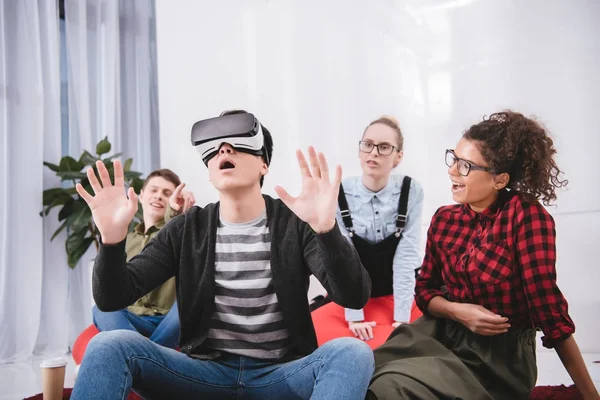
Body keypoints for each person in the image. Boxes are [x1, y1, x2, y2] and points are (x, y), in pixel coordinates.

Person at [71, 110, 374, 399]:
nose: (224, 149)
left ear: (263, 164)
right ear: (209, 170)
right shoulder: (186, 228)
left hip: (281, 376)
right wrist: (112, 241)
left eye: (238, 144)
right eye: (214, 148)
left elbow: (353, 296)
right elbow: (112, 298)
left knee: (353, 353)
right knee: (109, 344)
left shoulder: (296, 223)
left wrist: (326, 230)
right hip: (202, 375)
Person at [368, 111, 599, 400]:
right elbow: (425, 291)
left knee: (393, 389)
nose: (452, 171)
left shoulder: (525, 216)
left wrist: (591, 395)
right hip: (437, 335)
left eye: (465, 166)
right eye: (453, 159)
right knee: (366, 372)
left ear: (500, 179)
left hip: (496, 360)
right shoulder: (444, 219)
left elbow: (549, 311)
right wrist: (457, 311)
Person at [312, 116, 424, 349]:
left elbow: (406, 258)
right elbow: (344, 258)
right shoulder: (339, 192)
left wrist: (401, 319)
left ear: (398, 156)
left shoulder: (411, 190)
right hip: (352, 294)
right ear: (360, 150)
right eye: (368, 144)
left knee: (420, 341)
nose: (374, 153)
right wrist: (354, 316)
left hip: (398, 295)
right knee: (314, 334)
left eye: (384, 147)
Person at [90, 168, 195, 349]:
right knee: (101, 310)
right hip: (130, 318)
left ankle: (137, 356)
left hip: (168, 321)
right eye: (154, 190)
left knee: (191, 303)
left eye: (166, 193)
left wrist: (176, 215)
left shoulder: (177, 232)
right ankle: (147, 356)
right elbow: (110, 286)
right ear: (141, 195)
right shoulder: (123, 238)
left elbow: (184, 243)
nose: (159, 196)